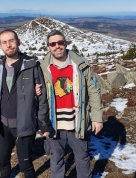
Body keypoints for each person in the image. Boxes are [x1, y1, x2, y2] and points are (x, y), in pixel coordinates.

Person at [0, 29, 51, 178]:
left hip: (24, 126)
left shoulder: (31, 66)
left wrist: (43, 124)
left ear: (18, 42)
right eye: (4, 42)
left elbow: (42, 99)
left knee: (25, 164)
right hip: (4, 127)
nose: (9, 45)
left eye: (12, 41)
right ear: (0, 45)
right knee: (2, 160)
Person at [40, 30, 103, 178]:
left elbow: (94, 91)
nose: (57, 46)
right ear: (48, 47)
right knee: (56, 158)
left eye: (60, 42)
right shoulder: (42, 68)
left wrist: (97, 117)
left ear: (66, 44)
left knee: (82, 157)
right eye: (53, 44)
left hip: (78, 120)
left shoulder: (81, 65)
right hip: (54, 121)